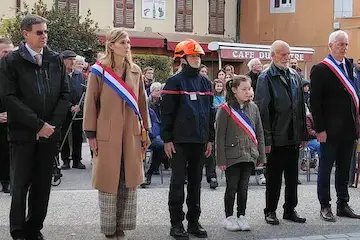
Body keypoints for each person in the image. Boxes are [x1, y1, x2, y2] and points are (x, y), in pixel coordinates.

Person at [0, 14, 70, 240]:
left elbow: (65, 94)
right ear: (25, 33)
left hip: (50, 132)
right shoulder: (10, 61)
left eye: (46, 31)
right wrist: (37, 125)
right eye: (39, 32)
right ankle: (19, 231)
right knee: (20, 185)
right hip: (23, 132)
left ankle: (34, 228)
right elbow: (9, 98)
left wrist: (51, 125)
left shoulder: (55, 59)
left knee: (42, 186)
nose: (44, 36)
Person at [83, 28, 150, 239]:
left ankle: (121, 226)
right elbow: (90, 104)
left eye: (128, 42)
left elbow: (142, 103)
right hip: (107, 133)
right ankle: (109, 229)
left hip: (131, 133)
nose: (127, 46)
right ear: (111, 45)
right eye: (123, 42)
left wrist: (145, 130)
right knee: (108, 183)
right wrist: (91, 135)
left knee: (127, 181)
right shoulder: (98, 71)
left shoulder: (136, 71)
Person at [161, 39, 215, 240]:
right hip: (179, 142)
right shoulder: (174, 82)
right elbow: (166, 113)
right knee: (177, 184)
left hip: (200, 142)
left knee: (195, 183)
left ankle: (193, 222)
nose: (197, 59)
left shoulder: (205, 83)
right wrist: (167, 139)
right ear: (182, 58)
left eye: (198, 56)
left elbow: (209, 114)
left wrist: (210, 139)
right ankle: (176, 224)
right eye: (193, 56)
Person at [255, 40, 307, 225]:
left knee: (293, 177)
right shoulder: (265, 77)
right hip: (276, 137)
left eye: (288, 54)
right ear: (272, 56)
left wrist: (303, 134)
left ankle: (290, 209)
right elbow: (263, 110)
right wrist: (266, 139)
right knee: (274, 177)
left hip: (293, 135)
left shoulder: (294, 75)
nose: (287, 57)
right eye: (283, 54)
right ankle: (270, 211)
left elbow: (301, 106)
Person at [310, 30, 360, 221]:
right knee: (325, 169)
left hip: (348, 129)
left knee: (344, 168)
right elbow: (315, 103)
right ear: (330, 45)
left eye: (346, 44)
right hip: (329, 130)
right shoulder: (321, 69)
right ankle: (325, 205)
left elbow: (355, 96)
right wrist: (320, 129)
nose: (344, 48)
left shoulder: (350, 67)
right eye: (340, 44)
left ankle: (343, 204)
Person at [216, 75, 266, 231]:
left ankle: (241, 215)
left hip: (249, 154)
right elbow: (219, 136)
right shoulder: (225, 109)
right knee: (232, 186)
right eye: (243, 89)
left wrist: (261, 155)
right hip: (232, 154)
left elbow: (259, 133)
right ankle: (229, 217)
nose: (247, 92)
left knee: (244, 187)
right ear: (234, 90)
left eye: (249, 88)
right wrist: (221, 159)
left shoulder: (254, 108)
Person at [60, 50, 86, 170]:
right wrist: (70, 106)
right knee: (64, 134)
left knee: (77, 135)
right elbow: (60, 94)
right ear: (63, 60)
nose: (73, 62)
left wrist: (79, 105)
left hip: (78, 109)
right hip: (64, 110)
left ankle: (77, 159)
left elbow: (82, 91)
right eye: (70, 59)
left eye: (74, 59)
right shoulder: (59, 75)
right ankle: (65, 160)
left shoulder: (79, 75)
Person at [0, 38, 14, 194]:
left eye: (11, 52)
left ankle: (7, 181)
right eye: (5, 52)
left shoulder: (15, 72)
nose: (9, 55)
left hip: (11, 121)